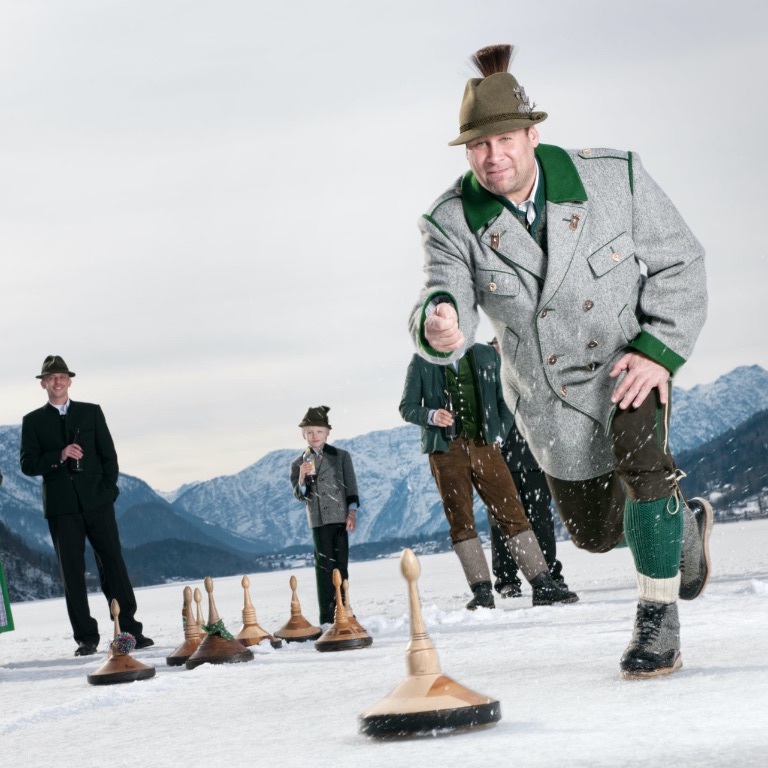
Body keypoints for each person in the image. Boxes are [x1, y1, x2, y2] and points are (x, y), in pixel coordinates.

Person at [409, 44, 713, 679]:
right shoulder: (449, 220)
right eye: (477, 146)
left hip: (628, 365)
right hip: (547, 397)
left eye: (504, 140)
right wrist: (440, 322)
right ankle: (681, 527)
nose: (493, 157)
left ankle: (657, 625)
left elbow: (681, 260)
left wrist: (658, 351)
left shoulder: (614, 177)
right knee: (597, 534)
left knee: (645, 468)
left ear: (531, 132)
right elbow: (445, 297)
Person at [399, 342, 578, 609]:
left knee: (512, 512)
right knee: (461, 519)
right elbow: (407, 407)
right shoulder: (421, 361)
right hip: (445, 450)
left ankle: (542, 585)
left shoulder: (485, 354)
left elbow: (503, 398)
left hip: (485, 445)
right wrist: (432, 414)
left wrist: (499, 433)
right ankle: (482, 592)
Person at [20, 355, 152, 656]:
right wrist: (60, 454)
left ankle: (130, 630)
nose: (57, 381)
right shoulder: (33, 422)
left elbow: (109, 456)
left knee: (114, 565)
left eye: (62, 376)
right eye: (51, 377)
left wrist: (107, 492)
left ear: (69, 381)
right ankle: (86, 638)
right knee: (72, 573)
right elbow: (28, 465)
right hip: (61, 508)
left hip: (98, 502)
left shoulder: (91, 413)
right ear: (43, 384)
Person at [486, 337, 568, 598]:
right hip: (498, 460)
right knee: (502, 523)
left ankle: (551, 574)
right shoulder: (486, 374)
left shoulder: (533, 371)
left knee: (541, 520)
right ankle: (507, 579)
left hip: (534, 458)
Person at [289, 406, 359, 625]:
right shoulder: (298, 463)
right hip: (318, 521)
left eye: (318, 431)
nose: (314, 436)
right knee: (324, 568)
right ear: (303, 435)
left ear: (327, 432)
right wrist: (301, 479)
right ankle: (328, 617)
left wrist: (352, 513)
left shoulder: (340, 457)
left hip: (339, 517)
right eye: (309, 432)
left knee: (341, 565)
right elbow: (301, 496)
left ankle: (344, 609)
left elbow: (351, 487)